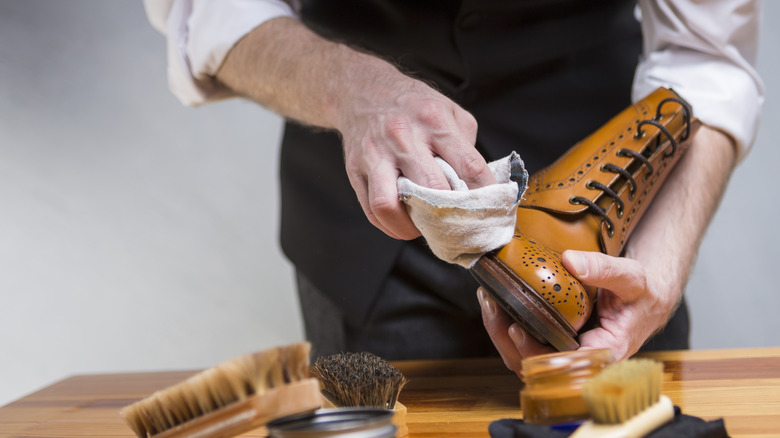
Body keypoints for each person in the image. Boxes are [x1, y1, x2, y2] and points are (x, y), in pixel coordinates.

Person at [144, 0, 763, 372]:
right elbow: (213, 9)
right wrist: (348, 89)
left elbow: (706, 61)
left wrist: (662, 261)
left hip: (610, 255)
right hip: (368, 249)